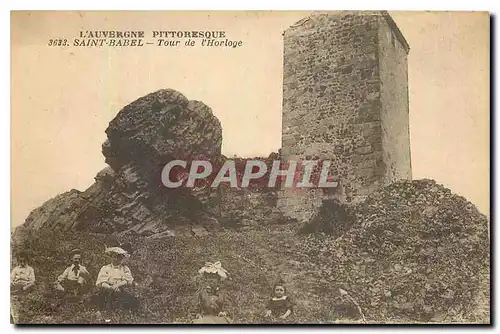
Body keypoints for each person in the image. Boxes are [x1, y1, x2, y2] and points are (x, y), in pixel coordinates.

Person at [94, 246, 138, 312]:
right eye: (114, 257)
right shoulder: (105, 268)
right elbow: (102, 282)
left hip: (120, 288)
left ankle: (124, 312)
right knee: (101, 297)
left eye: (119, 257)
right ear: (111, 257)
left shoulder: (124, 268)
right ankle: (101, 312)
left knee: (133, 300)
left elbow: (127, 281)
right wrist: (110, 288)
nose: (117, 259)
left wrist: (117, 285)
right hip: (107, 289)